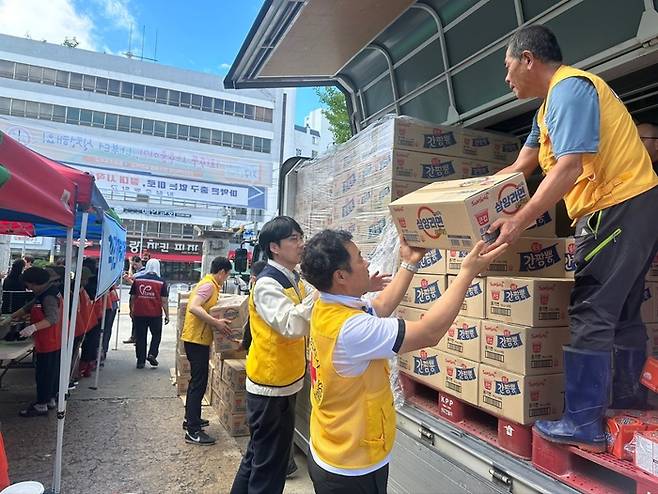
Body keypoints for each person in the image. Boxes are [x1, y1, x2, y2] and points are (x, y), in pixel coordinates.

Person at [487, 25, 658, 452]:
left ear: (528, 59)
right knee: (621, 310)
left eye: (507, 67)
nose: (506, 80)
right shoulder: (545, 110)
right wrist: (466, 200)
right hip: (629, 206)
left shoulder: (570, 90)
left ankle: (583, 423)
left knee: (591, 307)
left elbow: (566, 168)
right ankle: (628, 396)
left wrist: (519, 221)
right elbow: (520, 167)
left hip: (618, 203)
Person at [299, 230, 506, 493]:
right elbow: (429, 332)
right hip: (351, 465)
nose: (366, 264)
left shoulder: (327, 306)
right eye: (360, 258)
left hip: (333, 447)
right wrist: (467, 272)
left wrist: (409, 263)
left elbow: (381, 305)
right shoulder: (351, 329)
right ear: (340, 276)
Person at [231, 217, 392, 493]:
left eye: (301, 237)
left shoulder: (293, 279)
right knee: (269, 464)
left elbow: (320, 303)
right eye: (293, 239)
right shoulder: (268, 284)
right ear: (274, 247)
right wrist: (329, 290)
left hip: (285, 381)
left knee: (259, 455)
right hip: (269, 386)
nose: (301, 244)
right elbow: (291, 323)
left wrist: (352, 288)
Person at [181, 256, 233, 445]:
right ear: (221, 272)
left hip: (198, 339)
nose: (225, 279)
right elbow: (194, 307)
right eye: (226, 275)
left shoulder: (211, 285)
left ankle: (191, 419)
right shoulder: (209, 285)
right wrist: (217, 323)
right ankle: (193, 431)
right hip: (196, 340)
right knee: (198, 383)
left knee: (198, 382)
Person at [11, 267, 63, 417]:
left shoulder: (49, 297)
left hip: (49, 340)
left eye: (29, 285)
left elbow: (53, 318)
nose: (29, 288)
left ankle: (41, 405)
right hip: (53, 339)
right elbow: (29, 307)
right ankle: (50, 400)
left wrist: (32, 327)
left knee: (44, 374)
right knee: (51, 372)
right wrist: (11, 317)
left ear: (35, 283)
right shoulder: (45, 291)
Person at [129, 259, 169, 369]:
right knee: (156, 335)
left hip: (139, 313)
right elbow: (164, 300)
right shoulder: (161, 282)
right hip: (155, 314)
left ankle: (140, 361)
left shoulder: (138, 280)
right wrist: (167, 315)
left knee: (141, 336)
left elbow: (133, 297)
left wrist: (131, 310)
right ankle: (152, 354)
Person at [123, 256, 146, 344]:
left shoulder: (143, 272)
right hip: (134, 296)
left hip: (138, 297)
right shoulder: (138, 272)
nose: (134, 267)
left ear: (140, 262)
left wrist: (129, 265)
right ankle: (134, 336)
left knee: (137, 318)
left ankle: (137, 337)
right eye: (133, 265)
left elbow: (132, 279)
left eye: (135, 265)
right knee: (133, 317)